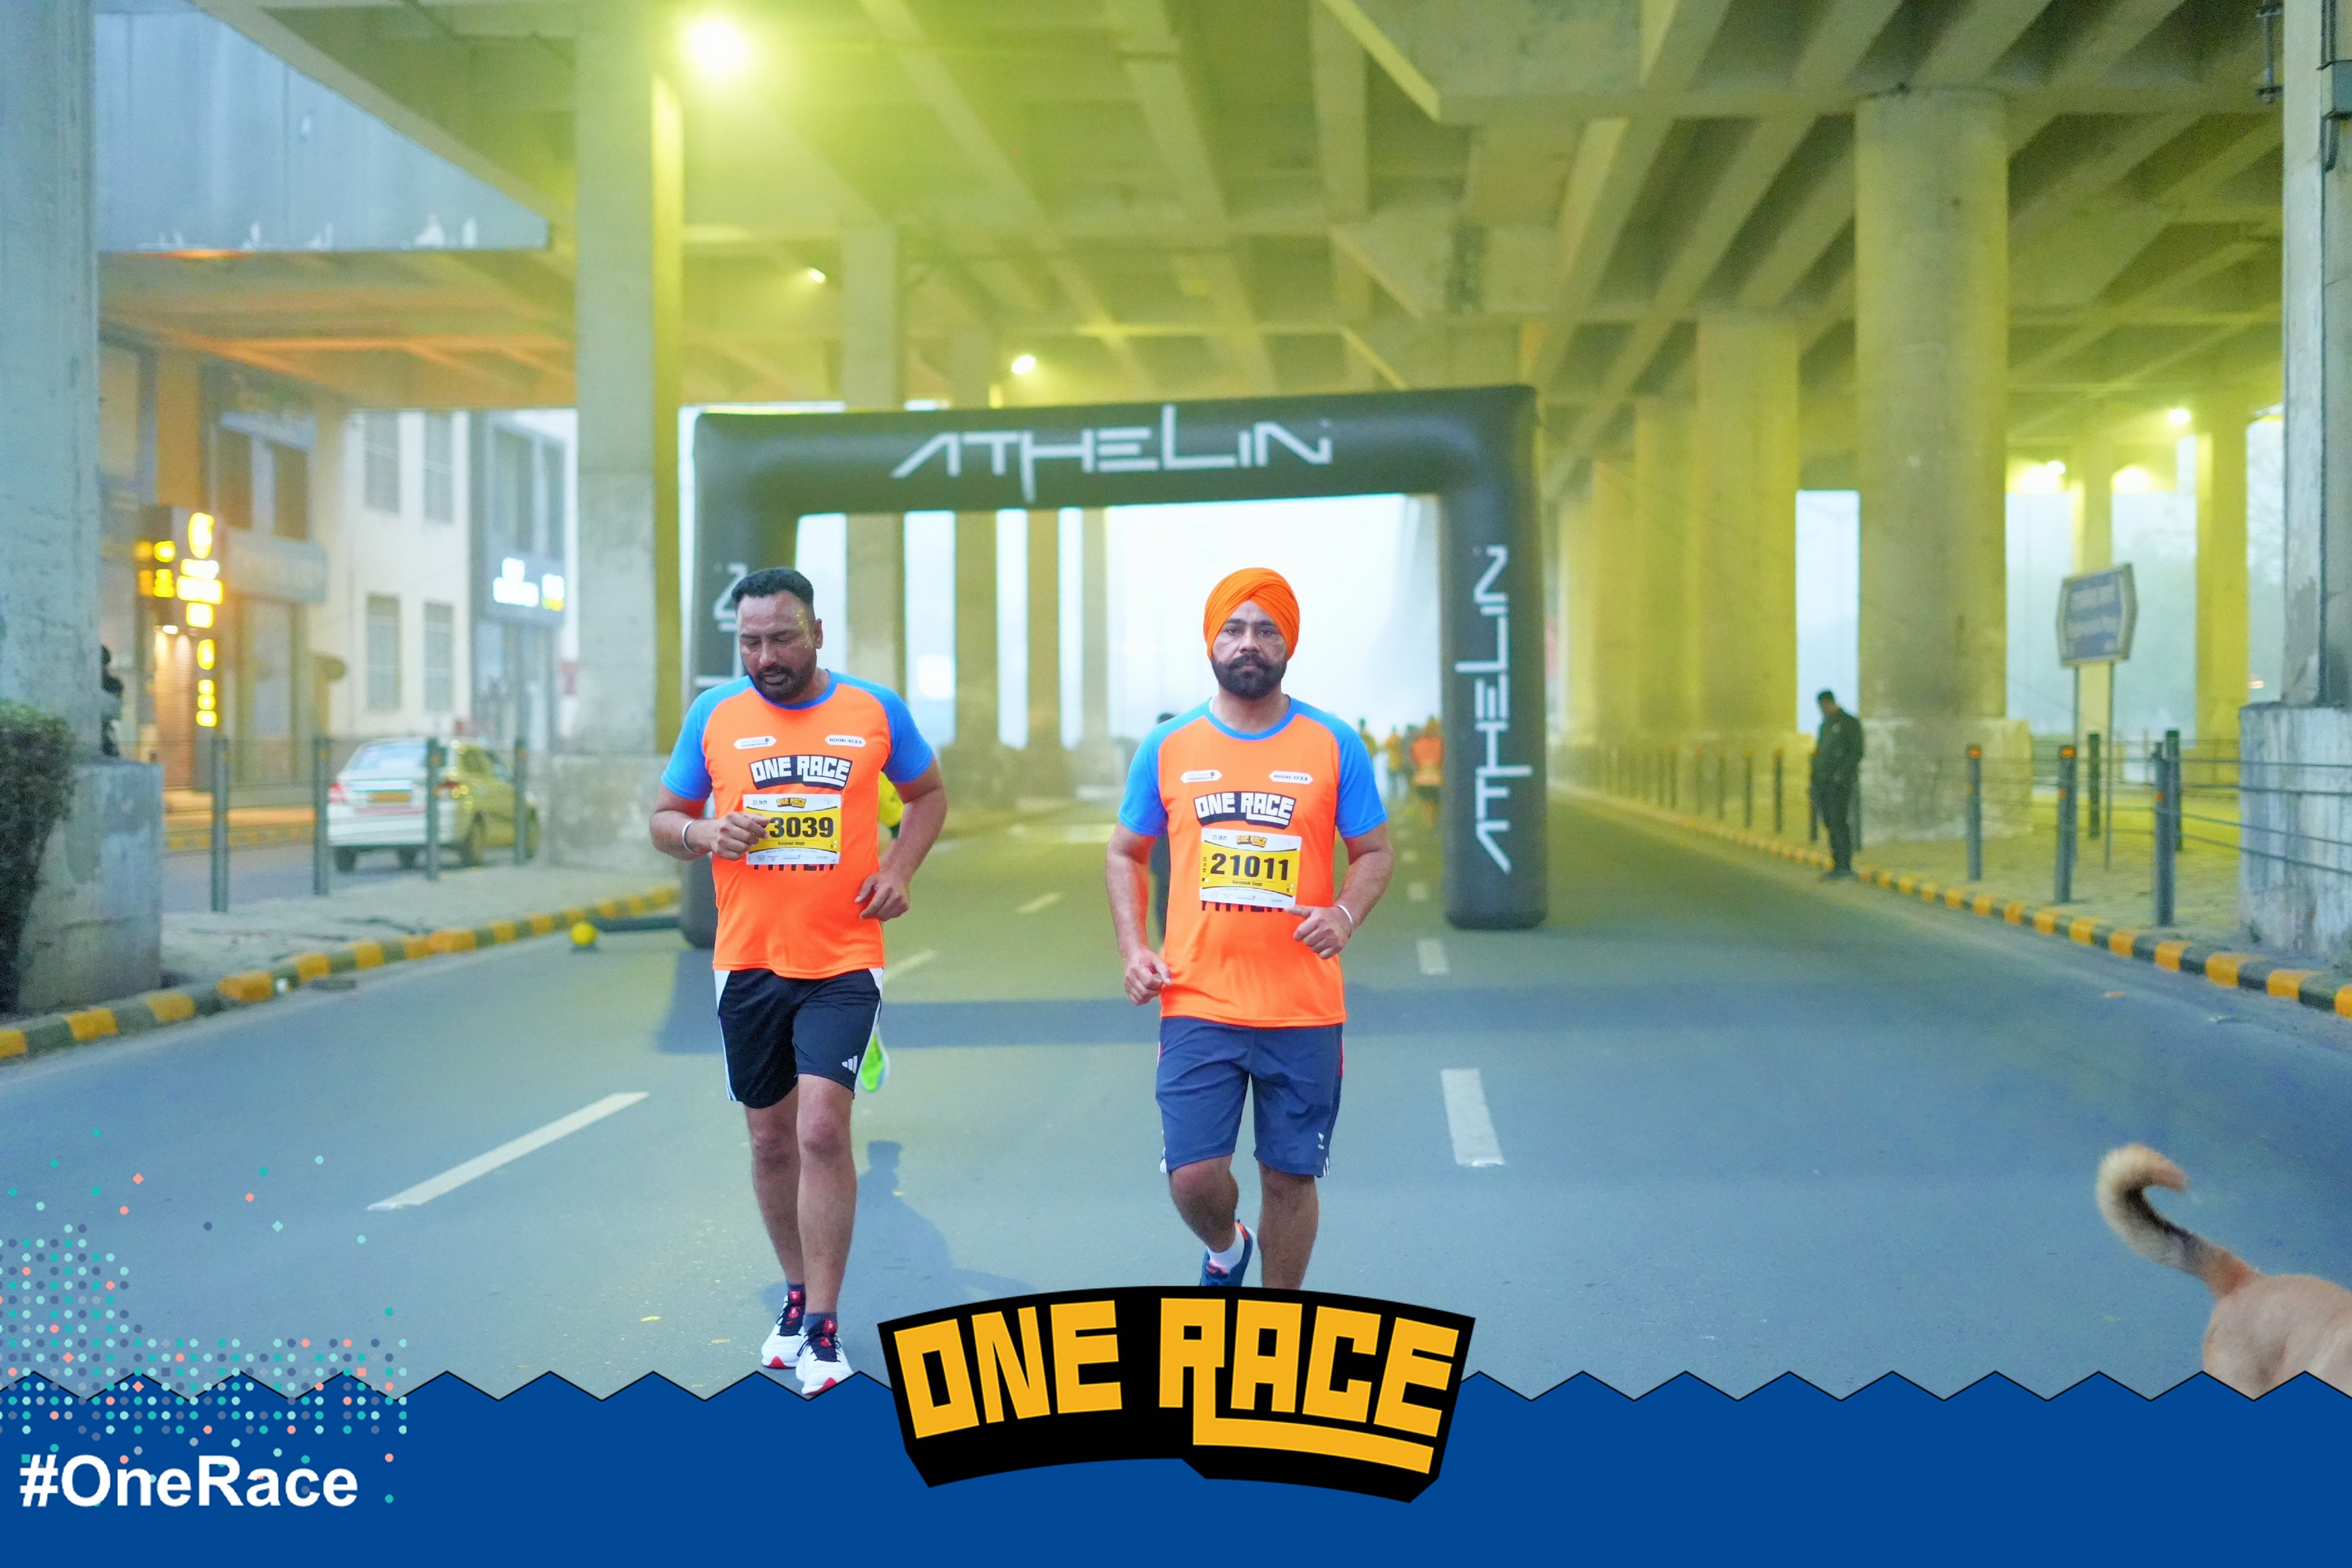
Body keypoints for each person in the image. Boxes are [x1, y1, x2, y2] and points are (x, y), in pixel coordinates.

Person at [648, 566, 946, 1395]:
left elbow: (926, 795)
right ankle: (794, 1290)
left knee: (820, 1129)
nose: (766, 656)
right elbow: (664, 819)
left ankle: (823, 1323)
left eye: (782, 637)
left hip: (843, 956)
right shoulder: (714, 715)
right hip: (747, 960)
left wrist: (899, 867)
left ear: (816, 633)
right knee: (771, 1138)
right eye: (750, 642)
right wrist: (705, 831)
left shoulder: (874, 709)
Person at [1105, 568, 1393, 1290]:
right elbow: (1125, 852)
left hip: (1303, 1007)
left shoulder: (1334, 743)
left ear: (1288, 643)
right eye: (1233, 629)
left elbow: (1375, 852)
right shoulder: (1168, 746)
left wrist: (1344, 914)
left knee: (1288, 1177)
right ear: (1212, 641)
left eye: (1266, 630)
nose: (1249, 644)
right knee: (1193, 1177)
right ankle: (1227, 1246)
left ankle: (1275, 1325)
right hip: (1199, 999)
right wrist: (1134, 949)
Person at [1811, 688, 1864, 880]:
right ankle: (1837, 864)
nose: (1823, 710)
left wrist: (1842, 774)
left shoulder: (1849, 723)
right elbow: (1820, 753)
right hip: (1824, 783)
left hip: (1840, 783)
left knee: (1839, 822)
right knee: (1830, 823)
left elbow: (1857, 752)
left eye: (1825, 706)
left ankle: (1844, 865)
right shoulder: (1825, 725)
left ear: (1831, 703)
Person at [1409, 718, 1444, 830]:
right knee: (1436, 804)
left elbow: (1414, 761)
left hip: (1422, 779)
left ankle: (1430, 824)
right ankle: (1434, 824)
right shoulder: (1441, 743)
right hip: (1437, 780)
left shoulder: (1417, 744)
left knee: (1428, 804)